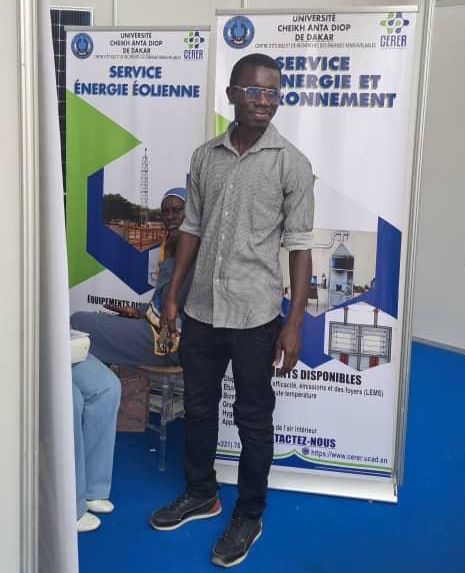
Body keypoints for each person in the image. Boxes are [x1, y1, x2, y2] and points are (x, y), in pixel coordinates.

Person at [149, 54, 315, 568]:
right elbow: (191, 229)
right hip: (202, 309)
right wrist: (174, 295)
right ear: (231, 95)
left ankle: (249, 513)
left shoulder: (292, 164)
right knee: (198, 409)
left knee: (253, 419)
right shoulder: (205, 157)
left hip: (255, 316)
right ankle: (202, 493)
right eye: (254, 91)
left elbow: (300, 248)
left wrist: (293, 323)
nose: (264, 101)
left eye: (273, 92)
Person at [71, 187, 192, 366]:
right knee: (83, 324)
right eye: (165, 212)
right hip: (155, 328)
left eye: (177, 210)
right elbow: (162, 303)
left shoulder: (193, 256)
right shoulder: (171, 247)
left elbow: (175, 309)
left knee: (79, 323)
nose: (170, 217)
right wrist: (138, 311)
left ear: (190, 214)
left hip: (169, 340)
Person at [72, 353, 121, 532]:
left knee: (108, 387)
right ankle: (71, 506)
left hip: (64, 348)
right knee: (71, 400)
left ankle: (92, 490)